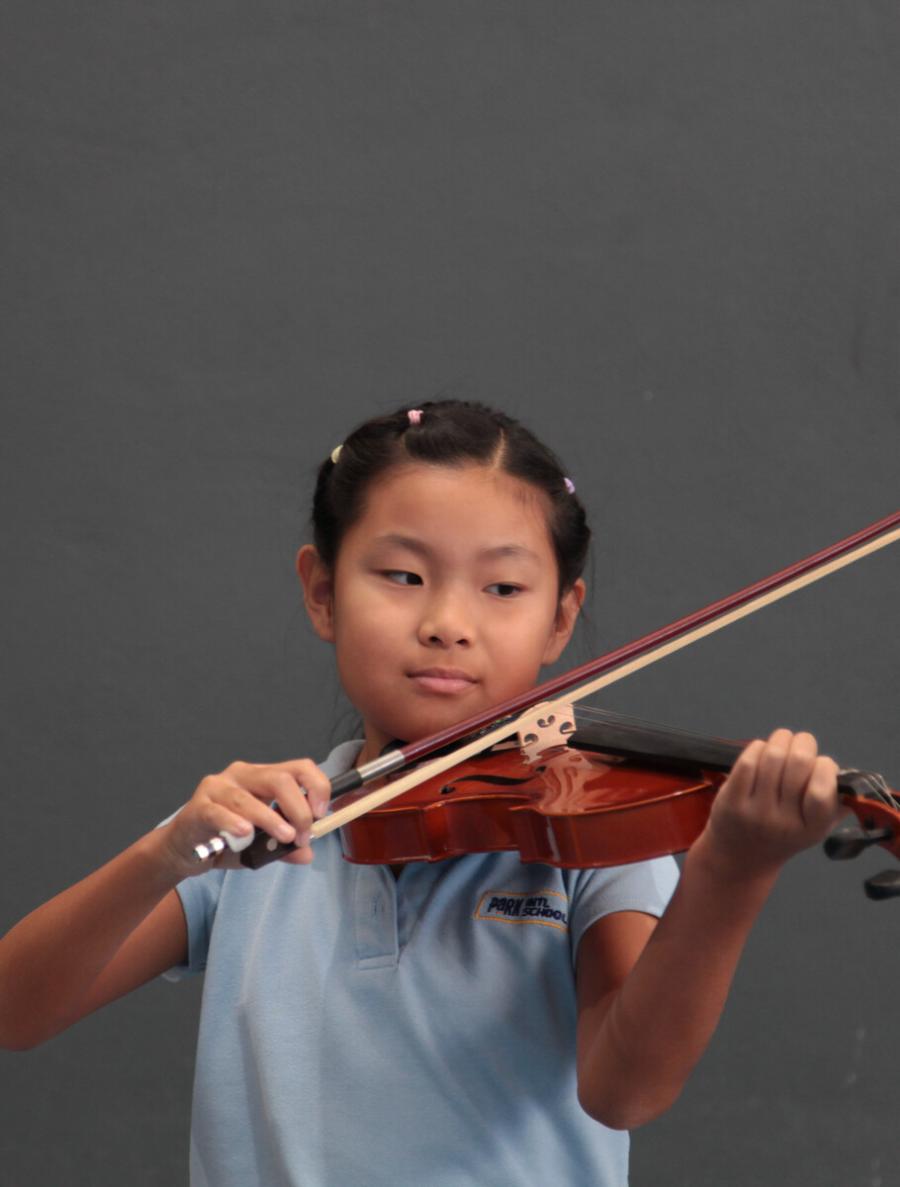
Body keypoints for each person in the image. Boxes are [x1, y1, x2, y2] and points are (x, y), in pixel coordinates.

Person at [0, 400, 843, 1186]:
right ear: (322, 591)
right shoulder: (258, 826)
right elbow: (15, 1011)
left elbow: (625, 1091)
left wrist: (731, 874)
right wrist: (163, 854)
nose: (447, 620)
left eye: (503, 588)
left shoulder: (592, 842)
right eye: (403, 575)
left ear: (560, 619)